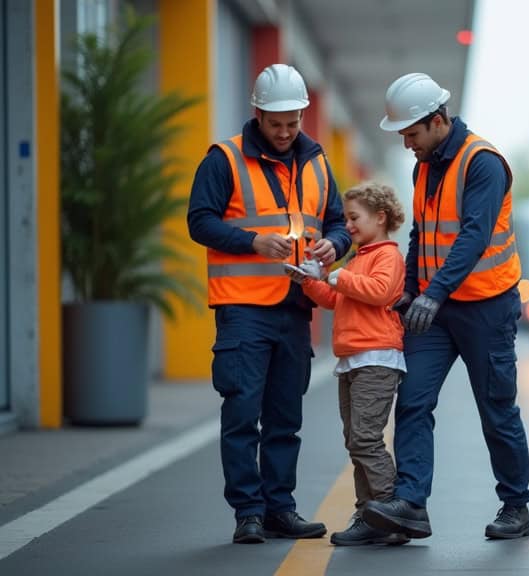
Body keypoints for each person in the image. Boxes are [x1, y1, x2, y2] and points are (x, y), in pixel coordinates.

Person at [361, 72, 529, 540]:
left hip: (486, 307)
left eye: (411, 134)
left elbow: (474, 236)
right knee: (413, 401)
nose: (407, 144)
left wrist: (433, 293)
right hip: (435, 311)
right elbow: (421, 234)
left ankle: (516, 506)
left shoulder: (483, 163)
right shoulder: (424, 167)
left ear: (437, 121)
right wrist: (411, 289)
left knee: (496, 408)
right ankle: (410, 504)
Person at [187, 63, 350, 544]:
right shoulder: (224, 159)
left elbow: (337, 222)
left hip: (296, 307)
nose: (284, 132)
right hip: (242, 309)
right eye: (275, 123)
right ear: (257, 114)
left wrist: (335, 245)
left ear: (302, 115)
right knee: (242, 412)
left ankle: (280, 508)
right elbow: (199, 221)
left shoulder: (317, 163)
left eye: (292, 123)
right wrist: (252, 242)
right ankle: (248, 513)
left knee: (285, 416)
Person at [288, 182, 409, 547]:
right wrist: (310, 281)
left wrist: (335, 275)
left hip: (376, 358)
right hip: (354, 358)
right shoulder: (358, 258)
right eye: (347, 218)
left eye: (354, 218)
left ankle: (391, 513)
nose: (348, 225)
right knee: (356, 440)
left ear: (380, 217)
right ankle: (370, 514)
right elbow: (336, 299)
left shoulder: (387, 256)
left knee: (365, 438)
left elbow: (380, 291)